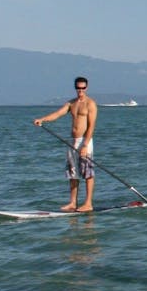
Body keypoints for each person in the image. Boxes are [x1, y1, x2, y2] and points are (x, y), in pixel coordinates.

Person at [34, 76, 97, 212]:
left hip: (84, 141)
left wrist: (85, 145)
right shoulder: (71, 103)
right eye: (78, 88)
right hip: (72, 141)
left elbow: (91, 127)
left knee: (87, 173)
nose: (80, 90)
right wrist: (42, 119)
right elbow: (57, 114)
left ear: (86, 88)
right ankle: (73, 203)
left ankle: (88, 203)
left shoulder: (90, 104)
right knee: (73, 172)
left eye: (83, 88)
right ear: (75, 88)